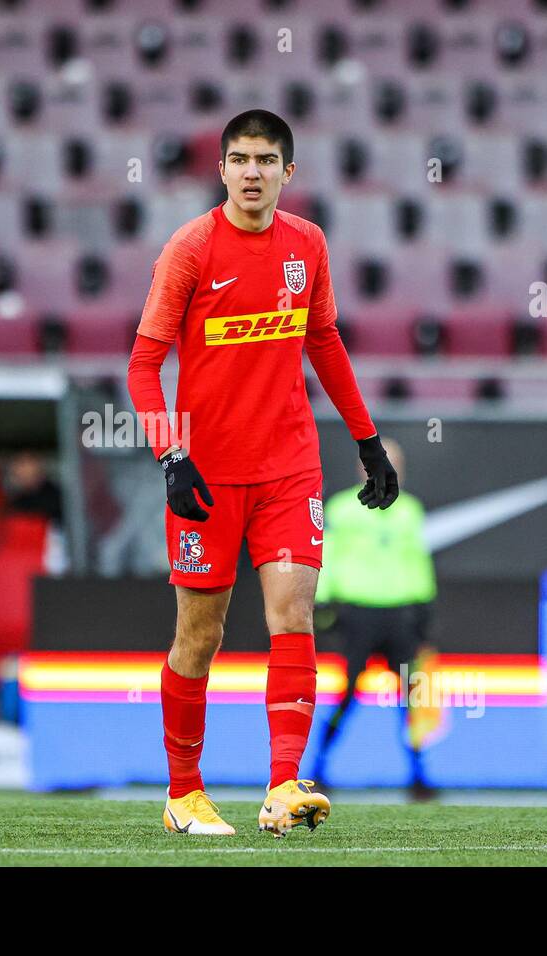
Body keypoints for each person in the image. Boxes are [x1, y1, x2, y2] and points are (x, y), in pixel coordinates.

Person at [126, 110, 398, 837]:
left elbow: (325, 340)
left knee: (294, 615)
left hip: (288, 468)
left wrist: (366, 440)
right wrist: (172, 456)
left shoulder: (306, 244)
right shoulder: (189, 249)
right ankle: (183, 794)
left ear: (288, 171)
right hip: (207, 476)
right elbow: (143, 365)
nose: (252, 172)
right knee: (200, 636)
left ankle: (283, 785)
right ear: (220, 169)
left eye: (266, 160)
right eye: (240, 159)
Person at [307, 438, 439, 800]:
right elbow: (328, 555)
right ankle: (318, 769)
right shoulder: (343, 509)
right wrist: (324, 603)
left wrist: (424, 606)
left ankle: (418, 774)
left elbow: (418, 560)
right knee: (347, 693)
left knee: (411, 698)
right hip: (359, 612)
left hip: (399, 613)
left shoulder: (410, 511)